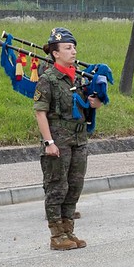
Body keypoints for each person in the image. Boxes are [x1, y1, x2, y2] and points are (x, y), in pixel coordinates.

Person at [34, 27, 103, 250]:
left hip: (78, 139)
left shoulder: (80, 78)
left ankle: (68, 231)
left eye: (74, 47)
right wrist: (49, 142)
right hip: (58, 140)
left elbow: (89, 105)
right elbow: (40, 112)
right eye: (67, 48)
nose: (73, 51)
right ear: (55, 53)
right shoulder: (49, 79)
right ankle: (56, 235)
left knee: (75, 185)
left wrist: (95, 103)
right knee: (57, 187)